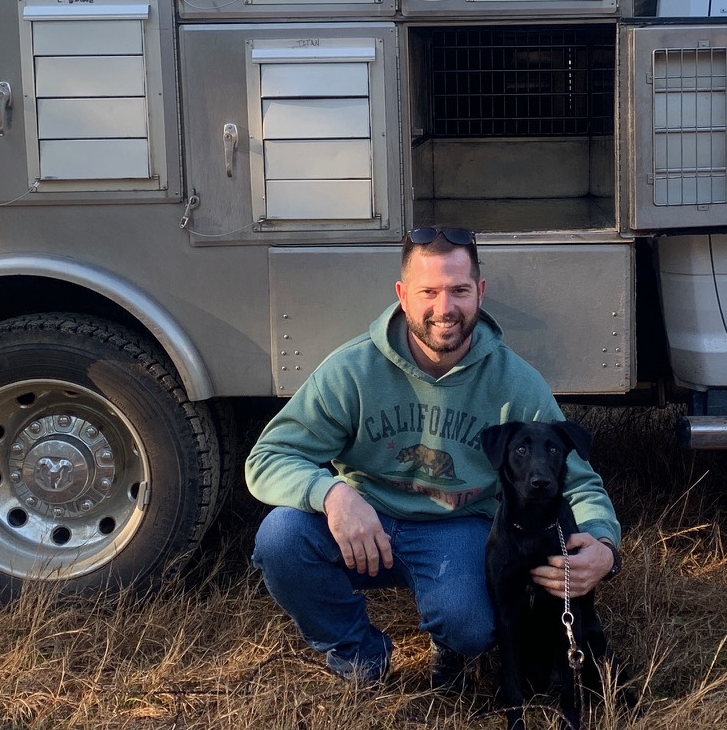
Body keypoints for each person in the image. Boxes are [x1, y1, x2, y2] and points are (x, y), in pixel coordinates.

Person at [245, 226, 620, 684]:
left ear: (479, 293)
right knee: (281, 538)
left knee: (473, 628)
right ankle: (357, 654)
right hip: (368, 524)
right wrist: (333, 495)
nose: (445, 309)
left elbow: (577, 479)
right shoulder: (353, 370)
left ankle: (452, 644)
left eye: (459, 290)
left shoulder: (515, 382)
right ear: (403, 295)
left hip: (458, 528)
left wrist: (603, 545)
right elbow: (268, 456)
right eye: (429, 291)